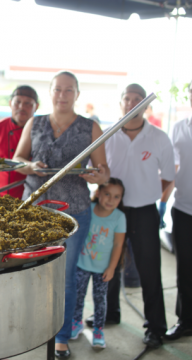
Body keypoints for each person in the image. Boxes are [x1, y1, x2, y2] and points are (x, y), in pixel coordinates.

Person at [13, 71, 110, 358]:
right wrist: (30, 167)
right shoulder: (36, 122)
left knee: (64, 277)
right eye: (58, 89)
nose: (63, 95)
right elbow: (18, 160)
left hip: (74, 212)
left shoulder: (90, 127)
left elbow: (104, 173)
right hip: (33, 211)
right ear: (51, 92)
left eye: (69, 90)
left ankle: (61, 337)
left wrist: (96, 176)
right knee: (28, 272)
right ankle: (27, 329)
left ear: (77, 94)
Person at [86, 84, 175, 349]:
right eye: (128, 98)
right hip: (112, 212)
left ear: (145, 105)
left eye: (138, 99)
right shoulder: (107, 135)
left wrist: (147, 195)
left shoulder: (159, 137)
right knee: (107, 265)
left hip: (145, 212)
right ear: (121, 103)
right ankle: (109, 313)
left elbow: (168, 177)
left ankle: (156, 328)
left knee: (149, 271)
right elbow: (96, 171)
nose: (132, 103)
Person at [71, 178, 126, 349]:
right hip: (82, 264)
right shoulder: (88, 210)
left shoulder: (119, 217)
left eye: (116, 197)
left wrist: (112, 268)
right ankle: (76, 322)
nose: (111, 200)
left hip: (102, 269)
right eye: (107, 194)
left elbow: (118, 245)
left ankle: (98, 330)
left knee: (100, 299)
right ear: (98, 193)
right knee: (78, 296)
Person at [163, 80, 192, 340]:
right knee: (185, 270)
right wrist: (162, 203)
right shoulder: (179, 128)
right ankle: (186, 321)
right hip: (183, 209)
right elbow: (171, 169)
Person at [0, 85, 39, 198]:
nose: (21, 107)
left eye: (28, 103)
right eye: (17, 102)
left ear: (36, 107)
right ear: (10, 103)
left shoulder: (41, 133)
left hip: (30, 198)